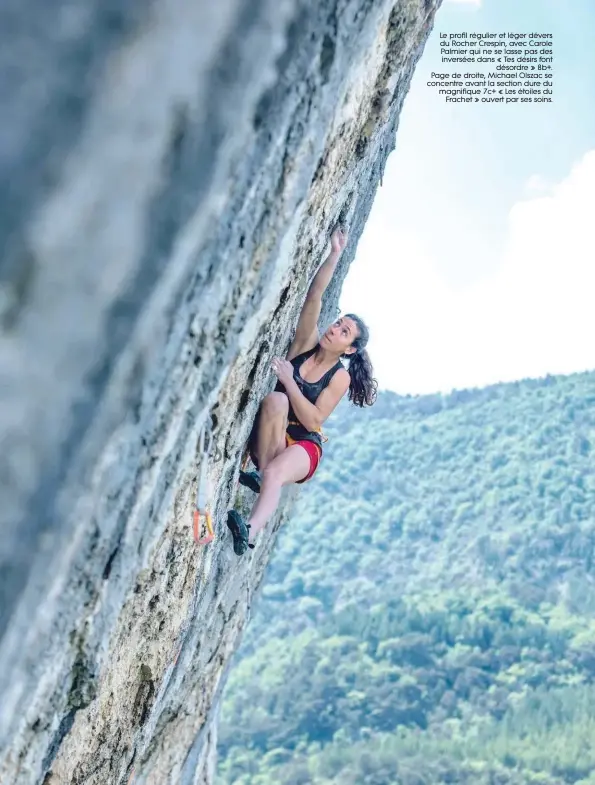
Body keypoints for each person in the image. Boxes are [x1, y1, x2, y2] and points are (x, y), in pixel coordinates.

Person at [227, 227, 377, 555]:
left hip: (304, 448)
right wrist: (335, 254)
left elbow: (314, 420)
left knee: (278, 469)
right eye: (338, 324)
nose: (335, 329)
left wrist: (292, 381)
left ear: (349, 349)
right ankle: (263, 477)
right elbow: (314, 298)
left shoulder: (340, 378)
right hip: (274, 437)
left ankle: (249, 533)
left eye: (344, 332)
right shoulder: (306, 344)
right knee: (275, 399)